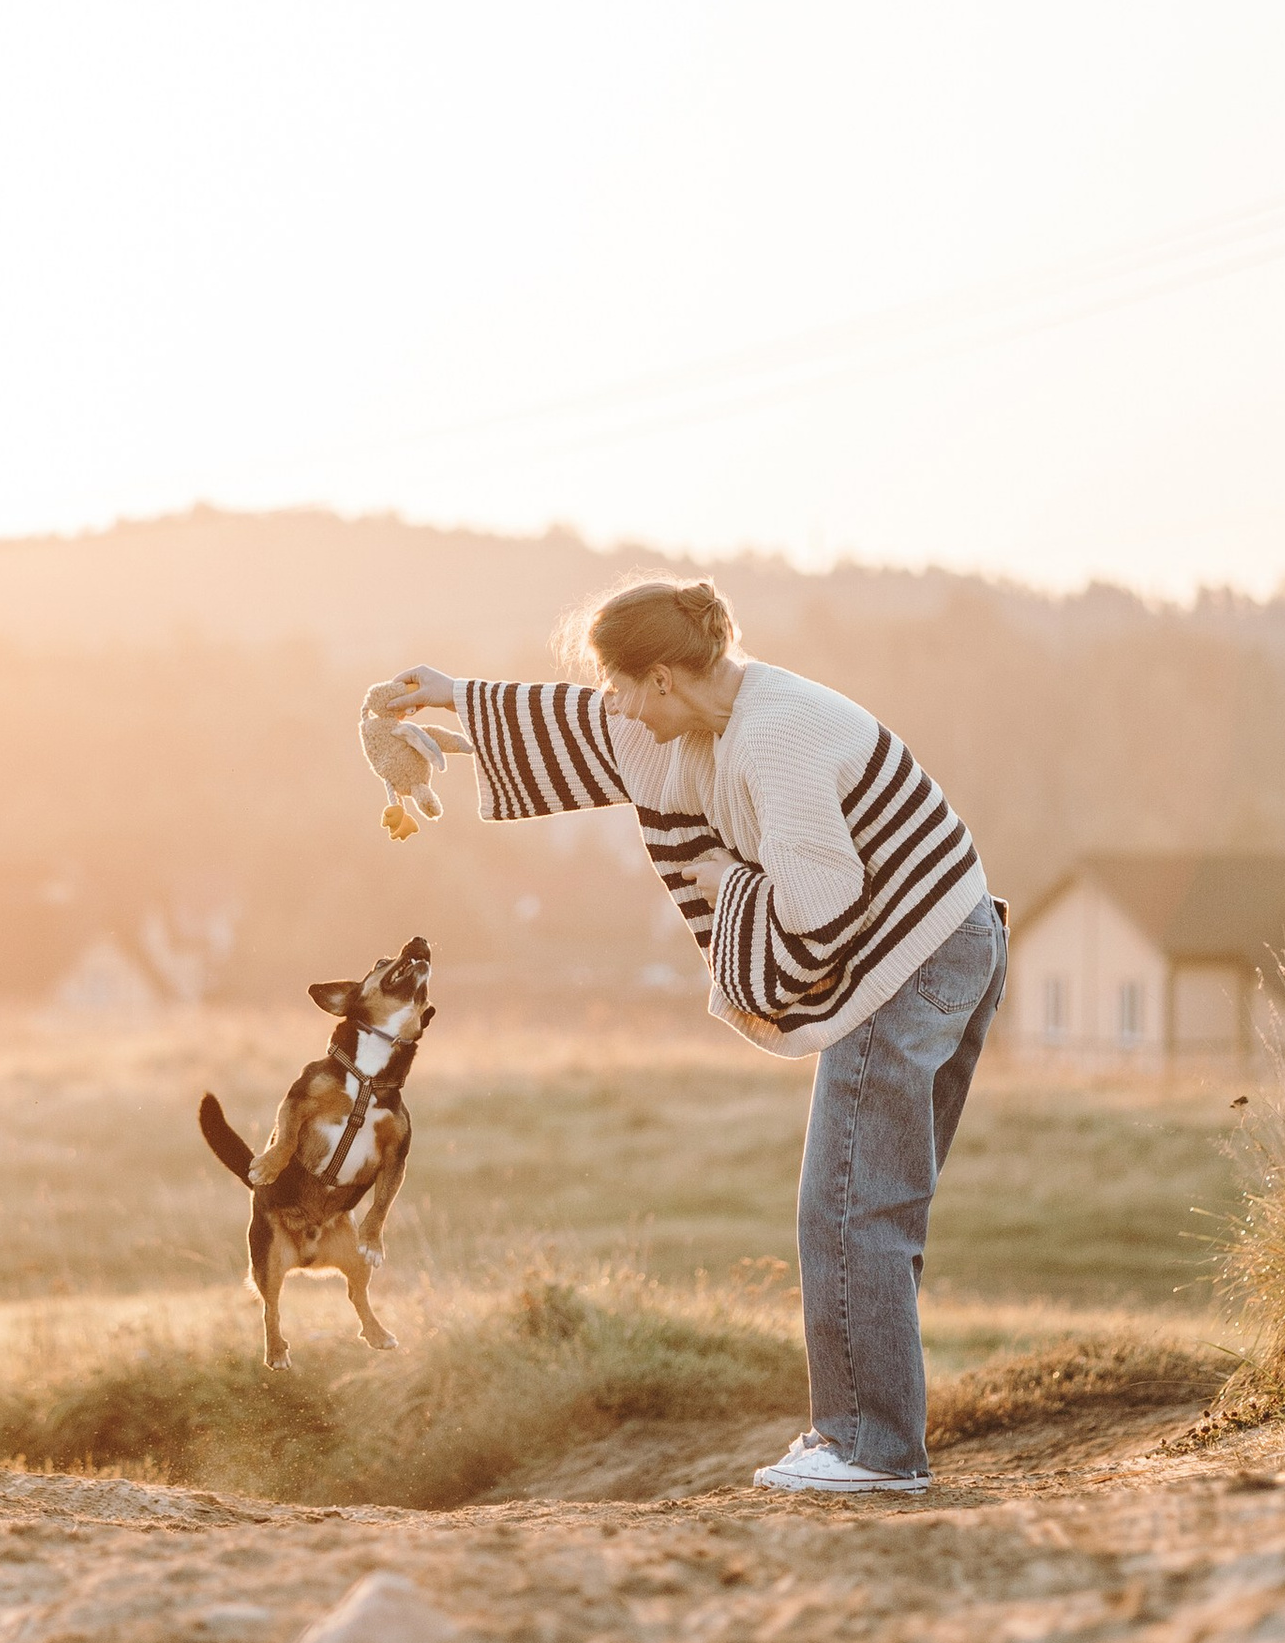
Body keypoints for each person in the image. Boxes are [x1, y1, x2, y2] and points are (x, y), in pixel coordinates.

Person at [380, 580, 1005, 1497]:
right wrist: (452, 701)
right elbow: (592, 736)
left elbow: (823, 916)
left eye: (624, 686)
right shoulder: (713, 714)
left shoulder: (772, 738)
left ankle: (874, 1451)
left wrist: (721, 884)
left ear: (665, 677)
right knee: (873, 1203)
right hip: (947, 934)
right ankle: (865, 1439)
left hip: (913, 957)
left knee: (847, 1205)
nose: (617, 706)